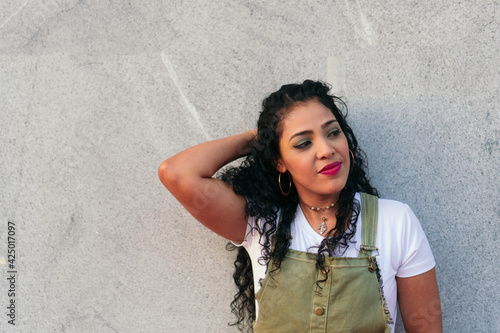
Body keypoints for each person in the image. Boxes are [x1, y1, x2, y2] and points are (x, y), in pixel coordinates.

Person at [158, 80, 442, 332]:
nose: (326, 150)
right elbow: (176, 173)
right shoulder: (261, 223)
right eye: (303, 143)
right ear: (279, 161)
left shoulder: (396, 222)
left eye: (333, 133)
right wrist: (259, 141)